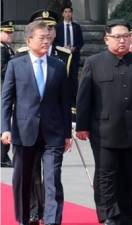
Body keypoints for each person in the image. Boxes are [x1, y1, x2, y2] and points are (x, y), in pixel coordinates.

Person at [75, 19, 132, 225]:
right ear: (106, 39)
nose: (123, 40)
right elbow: (84, 97)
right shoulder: (94, 62)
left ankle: (125, 218)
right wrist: (81, 126)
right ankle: (109, 214)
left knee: (129, 176)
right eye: (117, 37)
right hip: (103, 129)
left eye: (126, 36)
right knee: (106, 175)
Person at [1, 20, 72, 225]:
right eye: (42, 38)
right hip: (24, 131)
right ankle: (25, 218)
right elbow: (6, 99)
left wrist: (67, 133)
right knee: (24, 180)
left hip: (54, 132)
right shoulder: (16, 65)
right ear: (29, 39)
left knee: (52, 180)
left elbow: (64, 102)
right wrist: (5, 128)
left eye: (49, 38)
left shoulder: (58, 66)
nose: (46, 42)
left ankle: (52, 221)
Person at [23, 10, 73, 224]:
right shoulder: (21, 55)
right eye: (44, 29)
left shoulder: (63, 56)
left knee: (52, 178)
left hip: (53, 126)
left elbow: (68, 92)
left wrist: (68, 126)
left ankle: (52, 218)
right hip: (29, 126)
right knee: (32, 175)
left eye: (51, 28)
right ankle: (35, 211)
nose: (49, 33)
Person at [55, 5, 84, 107]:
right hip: (62, 57)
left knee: (73, 78)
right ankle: (62, 98)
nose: (68, 14)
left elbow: (81, 41)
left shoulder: (76, 27)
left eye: (69, 12)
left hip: (74, 56)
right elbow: (54, 42)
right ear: (62, 14)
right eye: (66, 12)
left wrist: (75, 48)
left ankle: (74, 101)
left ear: (72, 14)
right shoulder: (58, 27)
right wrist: (63, 48)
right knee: (62, 77)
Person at [0, 20, 15, 168]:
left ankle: (3, 156)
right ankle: (2, 157)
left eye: (11, 32)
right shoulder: (2, 50)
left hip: (5, 90)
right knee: (3, 125)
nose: (10, 34)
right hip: (2, 90)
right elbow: (3, 70)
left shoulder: (6, 48)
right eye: (7, 32)